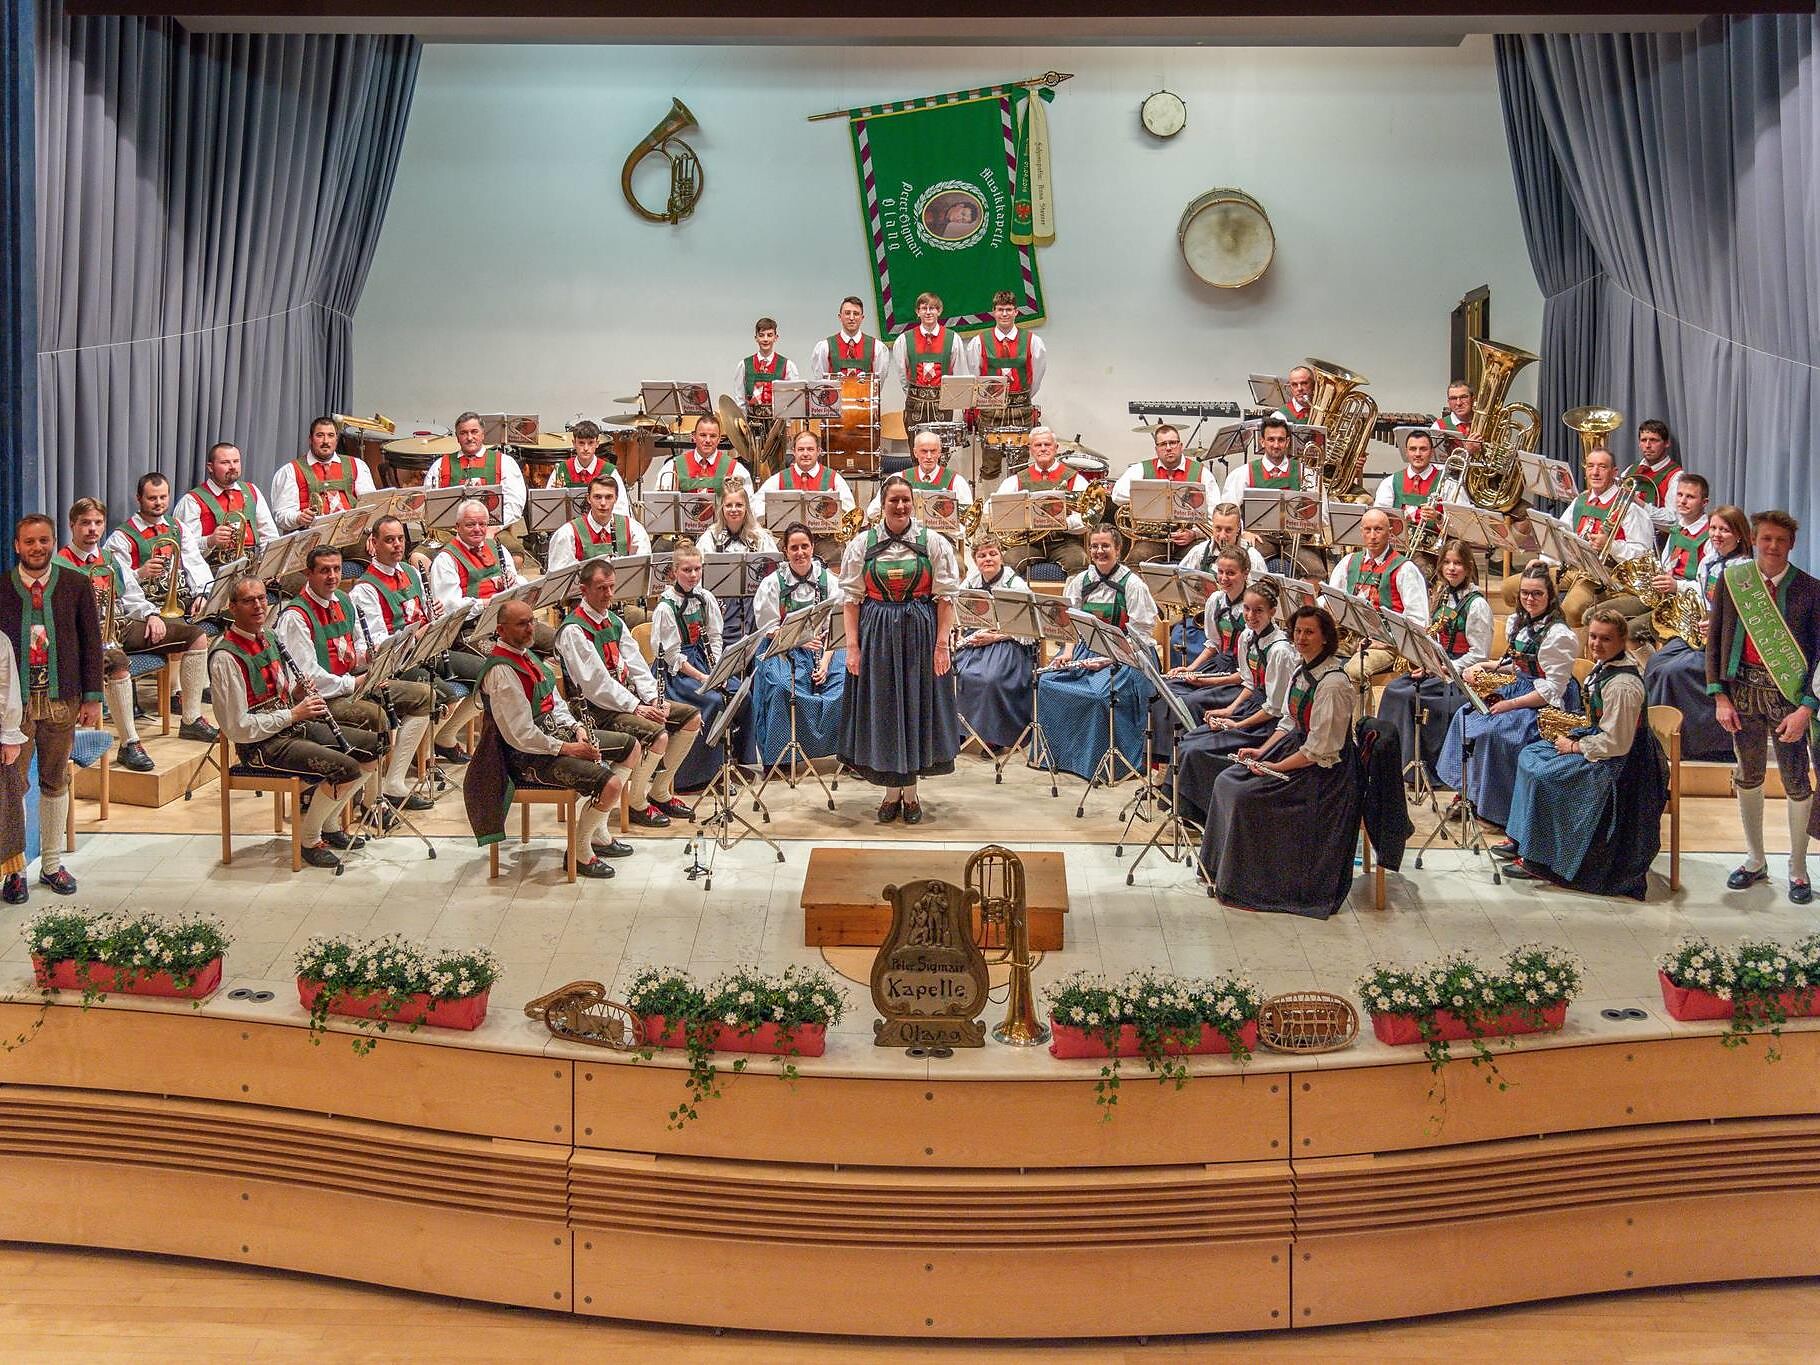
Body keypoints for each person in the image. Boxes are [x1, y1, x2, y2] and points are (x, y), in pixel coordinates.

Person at [209, 576, 384, 871]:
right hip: (260, 746)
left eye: (262, 598)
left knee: (374, 747)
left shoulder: (270, 637)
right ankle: (309, 839)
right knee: (345, 767)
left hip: (290, 725)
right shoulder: (225, 658)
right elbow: (237, 727)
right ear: (232, 607)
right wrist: (293, 714)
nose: (259, 606)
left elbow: (283, 691)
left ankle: (329, 823)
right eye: (249, 601)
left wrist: (298, 693)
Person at [1198, 604, 1360, 919]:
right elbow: (1288, 722)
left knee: (1246, 797)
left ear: (1326, 638)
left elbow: (1319, 750)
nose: (1301, 638)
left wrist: (1275, 767)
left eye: (1309, 632)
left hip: (1325, 775)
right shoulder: (1301, 669)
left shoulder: (1333, 685)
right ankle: (1219, 872)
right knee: (1227, 780)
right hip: (1296, 750)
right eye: (1298, 631)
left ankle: (1251, 886)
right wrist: (1262, 752)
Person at [466, 598, 637, 879]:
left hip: (554, 736)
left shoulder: (527, 655)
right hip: (525, 757)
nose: (530, 628)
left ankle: (597, 833)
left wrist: (577, 728)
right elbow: (521, 735)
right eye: (522, 624)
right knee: (610, 784)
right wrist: (570, 748)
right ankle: (579, 852)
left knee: (630, 747)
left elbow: (554, 701)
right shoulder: (502, 671)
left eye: (532, 621)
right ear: (501, 630)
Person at [1501, 608, 1667, 897]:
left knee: (1544, 775)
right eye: (1592, 636)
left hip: (1622, 766)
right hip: (1599, 741)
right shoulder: (1605, 667)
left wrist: (1574, 746)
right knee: (1530, 755)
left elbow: (1617, 744)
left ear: (1621, 641)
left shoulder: (1623, 685)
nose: (1596, 644)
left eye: (1605, 639)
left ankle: (1540, 859)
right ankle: (1523, 839)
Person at [1706, 509, 1820, 901]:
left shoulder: (1811, 589)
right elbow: (1715, 639)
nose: (1773, 546)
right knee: (1748, 774)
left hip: (1789, 699)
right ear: (1753, 540)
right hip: (1741, 693)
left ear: (1792, 544)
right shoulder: (1734, 581)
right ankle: (1755, 860)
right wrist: (1719, 696)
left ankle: (1798, 868)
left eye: (1781, 540)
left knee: (1796, 781)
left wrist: (1807, 708)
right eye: (1766, 538)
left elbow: (1819, 654)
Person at [277, 545, 436, 819]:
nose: (332, 576)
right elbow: (309, 677)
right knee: (378, 717)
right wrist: (356, 683)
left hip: (353, 682)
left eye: (336, 569)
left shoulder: (343, 600)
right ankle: (371, 804)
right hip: (321, 699)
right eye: (324, 571)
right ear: (308, 574)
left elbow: (357, 647)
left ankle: (393, 784)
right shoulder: (296, 616)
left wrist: (372, 659)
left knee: (425, 695)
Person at [837, 477, 962, 822]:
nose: (901, 506)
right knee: (885, 710)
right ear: (883, 504)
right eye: (894, 500)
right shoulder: (862, 544)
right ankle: (892, 794)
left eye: (906, 499)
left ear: (913, 503)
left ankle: (911, 795)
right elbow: (851, 601)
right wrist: (852, 647)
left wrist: (941, 646)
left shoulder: (933, 542)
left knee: (915, 707)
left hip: (920, 632)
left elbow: (946, 599)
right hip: (876, 633)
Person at [60, 497, 216, 772]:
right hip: (88, 640)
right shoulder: (61, 564)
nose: (92, 529)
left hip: (120, 626)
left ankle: (191, 719)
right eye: (85, 523)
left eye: (98, 522)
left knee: (195, 636)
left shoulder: (109, 558)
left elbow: (131, 594)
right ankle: (129, 743)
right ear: (72, 525)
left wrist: (151, 615)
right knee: (118, 663)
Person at [0, 514, 103, 901]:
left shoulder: (75, 584)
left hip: (63, 700)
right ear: (17, 546)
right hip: (16, 707)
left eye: (44, 540)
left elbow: (91, 643)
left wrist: (92, 697)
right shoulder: (2, 589)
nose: (37, 548)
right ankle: (14, 871)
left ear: (53, 542)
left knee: (56, 780)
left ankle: (52, 864)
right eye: (29, 541)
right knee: (12, 785)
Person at [555, 559, 699, 830]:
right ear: (583, 590)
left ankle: (659, 792)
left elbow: (636, 665)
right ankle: (636, 802)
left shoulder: (613, 620)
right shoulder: (574, 630)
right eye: (601, 588)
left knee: (691, 717)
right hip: (593, 710)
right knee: (658, 734)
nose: (609, 594)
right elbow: (596, 685)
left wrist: (653, 699)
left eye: (611, 587)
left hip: (624, 700)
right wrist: (636, 707)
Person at [1437, 566, 1579, 827]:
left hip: (1545, 703)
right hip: (1521, 686)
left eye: (1537, 594)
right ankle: (1469, 791)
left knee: (1497, 733)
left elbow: (1552, 690)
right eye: (1525, 593)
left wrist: (1509, 704)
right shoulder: (1518, 622)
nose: (1529, 599)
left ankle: (1496, 810)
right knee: (1465, 716)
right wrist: (1486, 665)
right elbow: (1519, 665)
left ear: (1550, 596)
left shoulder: (1559, 635)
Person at [349, 514, 480, 765]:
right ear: (374, 543)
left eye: (400, 539)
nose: (397, 545)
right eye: (389, 540)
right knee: (444, 697)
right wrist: (415, 634)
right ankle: (414, 758)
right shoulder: (364, 590)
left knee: (489, 674)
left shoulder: (411, 572)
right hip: (400, 662)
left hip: (427, 650)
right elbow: (376, 644)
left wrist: (435, 614)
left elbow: (424, 613)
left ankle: (442, 737)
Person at [1033, 525, 1158, 785]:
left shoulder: (1133, 585)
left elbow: (1141, 635)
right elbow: (1069, 626)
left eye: (1105, 546)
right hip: (1085, 650)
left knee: (1101, 696)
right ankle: (1060, 757)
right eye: (1094, 546)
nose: (1099, 551)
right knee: (1047, 683)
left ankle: (1099, 763)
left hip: (1125, 655)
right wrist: (1067, 653)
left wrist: (1110, 658)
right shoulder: (1079, 581)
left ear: (1118, 549)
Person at [1171, 580, 1296, 824]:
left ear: (1272, 612)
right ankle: (1186, 811)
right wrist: (1229, 710)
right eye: (1247, 609)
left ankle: (1203, 816)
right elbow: (1249, 683)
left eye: (1258, 611)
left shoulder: (1280, 650)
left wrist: (1237, 725)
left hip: (1266, 723)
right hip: (1251, 708)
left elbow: (1275, 708)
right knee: (1189, 739)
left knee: (1198, 750)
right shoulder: (1247, 637)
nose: (1250, 616)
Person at [1376, 539, 1493, 783]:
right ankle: (1389, 764)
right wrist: (1426, 662)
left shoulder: (1477, 604)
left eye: (1457, 563)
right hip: (1437, 668)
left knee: (1408, 696)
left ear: (1468, 567)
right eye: (1447, 562)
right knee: (1394, 690)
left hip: (1460, 677)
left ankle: (1421, 769)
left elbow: (1479, 654)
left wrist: (1446, 668)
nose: (1451, 568)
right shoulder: (1442, 595)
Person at [1646, 503, 1748, 763]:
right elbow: (1702, 596)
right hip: (1703, 635)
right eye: (1713, 528)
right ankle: (1654, 739)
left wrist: (1716, 625)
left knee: (1673, 672)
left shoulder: (1745, 570)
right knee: (1656, 662)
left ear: (1739, 535)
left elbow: (1745, 616)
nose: (1716, 535)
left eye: (1724, 530)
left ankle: (1692, 744)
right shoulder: (1708, 561)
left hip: (1728, 646)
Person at [752, 523, 846, 771]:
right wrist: (799, 640)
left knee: (845, 682)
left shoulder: (829, 581)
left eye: (805, 546)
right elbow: (768, 628)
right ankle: (780, 759)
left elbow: (835, 627)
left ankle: (845, 752)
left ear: (813, 547)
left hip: (825, 647)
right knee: (782, 686)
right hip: (784, 646)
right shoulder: (772, 583)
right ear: (785, 551)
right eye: (794, 548)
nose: (800, 552)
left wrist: (824, 663)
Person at [650, 543, 728, 794]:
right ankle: (695, 775)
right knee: (713, 701)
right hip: (676, 673)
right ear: (674, 572)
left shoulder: (706, 598)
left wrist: (717, 670)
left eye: (697, 569)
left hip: (704, 661)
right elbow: (671, 655)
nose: (693, 575)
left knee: (741, 693)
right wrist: (705, 678)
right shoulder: (666, 607)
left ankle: (728, 764)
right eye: (686, 570)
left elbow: (715, 637)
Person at [1326, 506, 1429, 690]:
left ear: (1390, 532)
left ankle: (1359, 709)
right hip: (1350, 636)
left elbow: (1418, 620)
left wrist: (1389, 641)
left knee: (1355, 670)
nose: (1373, 536)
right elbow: (1330, 599)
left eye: (1378, 529)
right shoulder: (1349, 562)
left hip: (1387, 644)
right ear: (1361, 532)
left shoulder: (1405, 569)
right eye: (1368, 530)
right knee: (1313, 654)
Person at [1554, 446, 1656, 624]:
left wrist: (1610, 545)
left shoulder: (1630, 508)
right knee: (1514, 587)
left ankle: (1571, 642)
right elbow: (1559, 534)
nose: (1595, 472)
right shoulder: (1580, 501)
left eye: (1602, 467)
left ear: (1614, 472)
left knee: (1571, 609)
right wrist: (1544, 561)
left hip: (1607, 575)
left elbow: (1642, 555)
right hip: (1576, 566)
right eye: (1590, 466)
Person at [952, 534, 1035, 752]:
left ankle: (994, 736)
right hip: (977, 640)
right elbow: (960, 615)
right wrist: (961, 635)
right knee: (954, 673)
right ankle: (959, 730)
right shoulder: (971, 582)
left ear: (1001, 557)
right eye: (982, 555)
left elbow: (1029, 628)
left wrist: (995, 636)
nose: (987, 559)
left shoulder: (1015, 585)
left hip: (1009, 642)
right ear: (975, 560)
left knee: (991, 679)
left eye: (992, 554)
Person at [1159, 547, 1251, 733]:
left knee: (1189, 701)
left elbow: (1248, 674)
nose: (1223, 578)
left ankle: (1190, 742)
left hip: (1238, 677)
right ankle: (1167, 749)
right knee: (1165, 690)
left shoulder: (1251, 608)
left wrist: (1205, 682)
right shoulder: (1216, 600)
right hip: (1218, 666)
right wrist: (1191, 669)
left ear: (1245, 573)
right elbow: (1214, 644)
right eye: (1220, 572)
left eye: (1231, 573)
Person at [424, 412, 531, 564]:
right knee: (418, 558)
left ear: (483, 434)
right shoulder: (440, 464)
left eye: (474, 432)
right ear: (457, 437)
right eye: (463, 433)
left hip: (491, 529)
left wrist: (495, 529)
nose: (469, 437)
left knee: (516, 557)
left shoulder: (505, 462)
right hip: (449, 531)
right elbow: (428, 504)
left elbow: (515, 503)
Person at [175, 442, 280, 590]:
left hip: (254, 574)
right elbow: (184, 553)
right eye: (225, 462)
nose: (232, 467)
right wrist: (210, 541)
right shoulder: (192, 501)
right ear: (210, 467)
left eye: (236, 461)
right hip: (214, 579)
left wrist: (269, 569)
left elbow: (269, 535)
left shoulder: (252, 491)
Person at [1109, 424, 1220, 566]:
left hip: (1191, 540)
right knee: (1137, 559)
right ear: (1156, 449)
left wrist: (1195, 534)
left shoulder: (1201, 473)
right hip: (1152, 540)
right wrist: (1152, 497)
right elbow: (1117, 495)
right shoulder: (1142, 469)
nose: (1168, 448)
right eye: (1162, 444)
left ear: (1181, 446)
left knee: (1204, 560)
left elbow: (1215, 515)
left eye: (1172, 443)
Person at [965, 291, 1046, 481]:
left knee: (1020, 464)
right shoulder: (978, 342)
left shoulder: (1033, 341)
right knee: (990, 464)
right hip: (990, 411)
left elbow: (1037, 376)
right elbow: (975, 375)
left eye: (1009, 309)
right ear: (993, 312)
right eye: (1000, 309)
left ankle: (1017, 498)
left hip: (1021, 410)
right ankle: (990, 498)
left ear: (1016, 312)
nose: (1004, 314)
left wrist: (1022, 397)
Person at [989, 427, 1089, 577]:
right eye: (1037, 445)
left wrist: (1063, 523)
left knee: (1078, 561)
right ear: (1030, 450)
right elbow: (992, 508)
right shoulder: (1015, 480)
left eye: (1047, 444)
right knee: (1009, 561)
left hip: (1064, 543)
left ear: (1056, 448)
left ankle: (1074, 593)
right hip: (1028, 543)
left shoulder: (1075, 479)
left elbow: (1086, 519)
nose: (1043, 449)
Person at [695, 485, 777, 649]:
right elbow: (697, 573)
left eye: (739, 505)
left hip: (754, 601)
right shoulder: (710, 537)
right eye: (729, 505)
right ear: (722, 508)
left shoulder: (760, 536)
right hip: (721, 604)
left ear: (746, 507)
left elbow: (774, 570)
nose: (734, 510)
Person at [753, 430, 857, 561]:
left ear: (818, 451)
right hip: (791, 541)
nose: (805, 454)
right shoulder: (779, 478)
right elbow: (755, 505)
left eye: (810, 449)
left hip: (826, 542)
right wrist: (772, 513)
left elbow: (850, 509)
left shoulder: (833, 477)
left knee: (837, 553)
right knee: (773, 559)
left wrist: (831, 510)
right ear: (794, 451)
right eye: (801, 449)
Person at [105, 472, 198, 607]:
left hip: (184, 600)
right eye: (152, 498)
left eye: (163, 497)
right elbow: (116, 582)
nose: (158, 503)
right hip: (148, 606)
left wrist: (202, 595)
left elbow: (195, 564)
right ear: (138, 498)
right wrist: (139, 573)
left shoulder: (178, 527)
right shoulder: (121, 537)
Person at [270, 416, 378, 532]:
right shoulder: (290, 471)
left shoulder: (357, 465)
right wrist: (298, 518)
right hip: (311, 536)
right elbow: (281, 515)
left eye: (331, 435)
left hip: (351, 533)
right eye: (320, 435)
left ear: (336, 439)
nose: (326, 441)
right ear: (310, 439)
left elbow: (370, 505)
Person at [892, 291, 969, 429]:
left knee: (941, 443)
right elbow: (902, 375)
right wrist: (914, 395)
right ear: (917, 312)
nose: (928, 312)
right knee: (916, 442)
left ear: (939, 311)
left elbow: (960, 374)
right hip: (915, 406)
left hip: (944, 405)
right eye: (924, 308)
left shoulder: (953, 338)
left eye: (932, 308)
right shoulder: (904, 339)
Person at [545, 474, 652, 570]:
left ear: (616, 499)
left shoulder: (634, 529)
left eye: (609, 497)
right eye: (597, 497)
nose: (603, 503)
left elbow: (642, 571)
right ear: (588, 498)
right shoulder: (567, 533)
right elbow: (559, 578)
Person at [867, 429, 974, 519]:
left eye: (933, 451)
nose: (929, 456)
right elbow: (873, 512)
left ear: (939, 452)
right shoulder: (898, 478)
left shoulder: (956, 481)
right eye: (924, 451)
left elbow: (967, 519)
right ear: (915, 452)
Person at [649, 414, 755, 500]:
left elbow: (748, 507)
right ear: (694, 437)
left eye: (713, 436)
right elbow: (660, 504)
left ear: (719, 439)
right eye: (703, 435)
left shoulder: (736, 468)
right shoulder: (673, 466)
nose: (708, 440)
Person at [1220, 417, 1305, 505]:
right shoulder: (1242, 474)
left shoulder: (1304, 472)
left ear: (1287, 442)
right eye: (1271, 440)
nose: (1276, 445)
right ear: (1262, 442)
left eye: (1281, 440)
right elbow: (1229, 510)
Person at [808, 295, 891, 384]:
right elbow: (821, 382)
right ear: (840, 317)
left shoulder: (877, 347)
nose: (851, 318)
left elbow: (878, 384)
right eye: (847, 313)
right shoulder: (825, 347)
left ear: (862, 318)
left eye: (856, 314)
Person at [1373, 428, 1452, 513]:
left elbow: (1458, 518)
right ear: (1406, 452)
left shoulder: (1448, 483)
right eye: (1413, 449)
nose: (1417, 454)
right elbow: (1379, 516)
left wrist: (1438, 517)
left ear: (1432, 452)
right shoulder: (1389, 483)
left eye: (1423, 449)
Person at [732, 316, 799, 415]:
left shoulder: (788, 365)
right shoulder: (744, 365)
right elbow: (739, 400)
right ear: (756, 338)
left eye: (770, 335)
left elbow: (792, 400)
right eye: (761, 335)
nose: (765, 339)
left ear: (776, 338)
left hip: (778, 421)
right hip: (751, 421)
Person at [1629, 419, 1686, 532]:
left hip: (1656, 540)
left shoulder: (1676, 476)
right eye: (1643, 440)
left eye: (1654, 440)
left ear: (1666, 443)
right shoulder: (1631, 469)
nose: (1647, 445)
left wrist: (1639, 504)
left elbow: (1675, 521)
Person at [552, 420, 629, 502]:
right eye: (581, 443)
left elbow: (621, 505)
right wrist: (556, 494)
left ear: (597, 443)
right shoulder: (560, 469)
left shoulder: (610, 471)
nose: (586, 448)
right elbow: (549, 504)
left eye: (591, 443)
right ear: (574, 443)